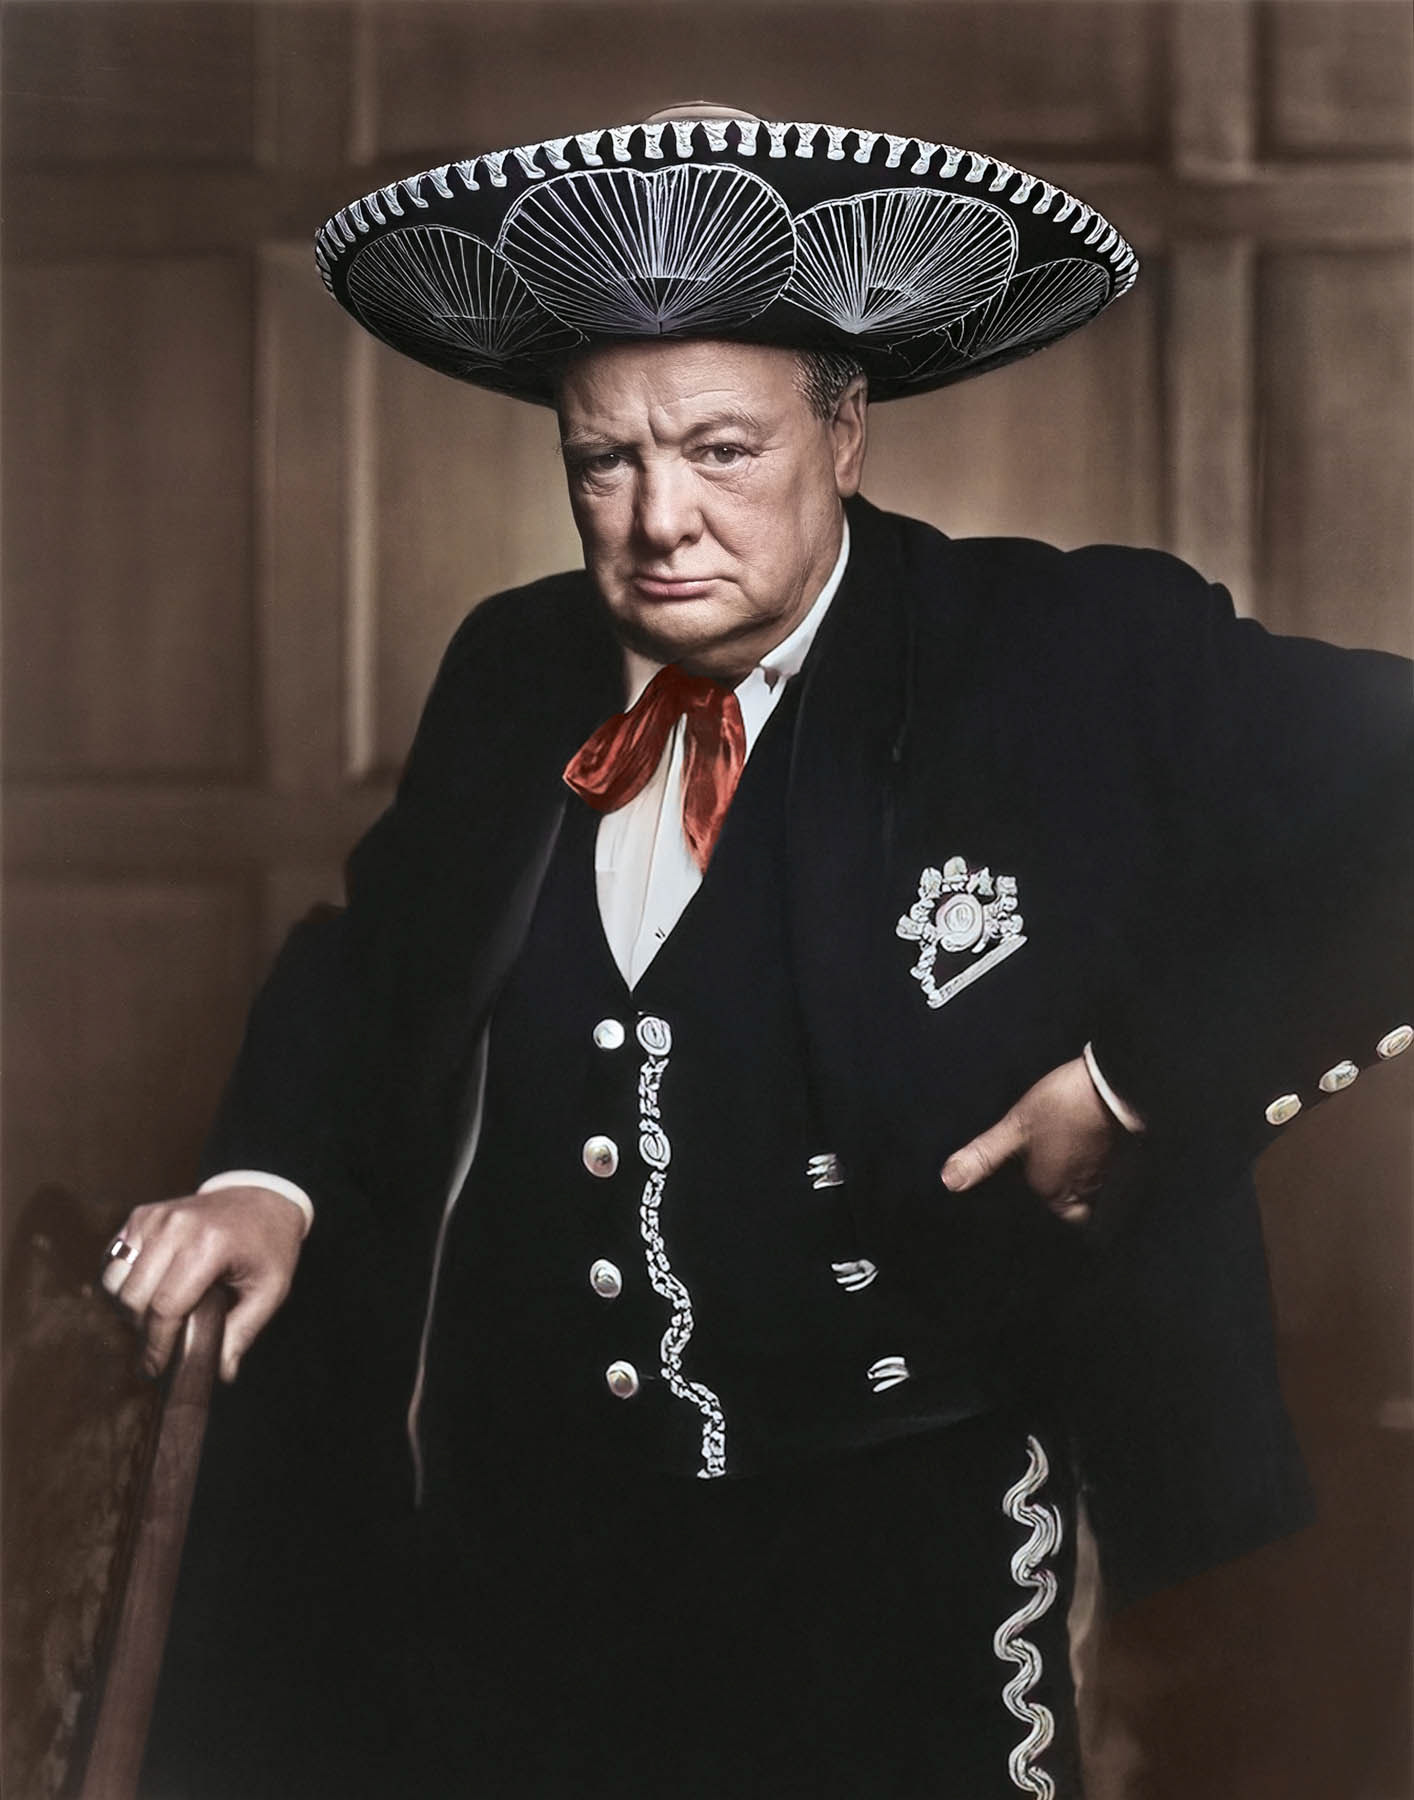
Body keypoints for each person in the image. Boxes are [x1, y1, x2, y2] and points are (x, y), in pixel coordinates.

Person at [106, 108, 1412, 1799]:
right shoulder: (512, 665)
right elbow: (372, 960)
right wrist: (264, 1180)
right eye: (604, 461)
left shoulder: (1057, 646)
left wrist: (1137, 1081)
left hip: (923, 1544)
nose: (659, 517)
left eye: (720, 450)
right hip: (539, 1550)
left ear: (842, 430)